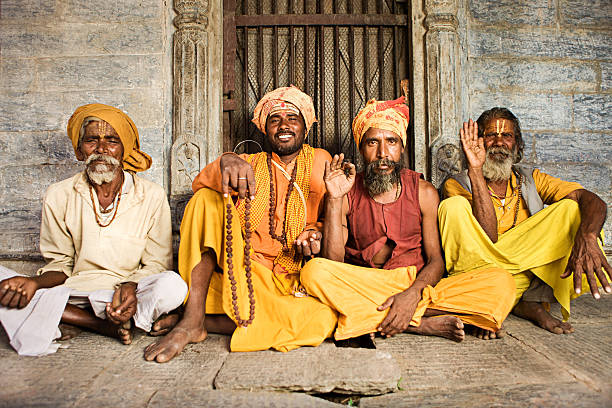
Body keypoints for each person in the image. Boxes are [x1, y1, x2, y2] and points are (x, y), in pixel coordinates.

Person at [299, 97, 516, 344]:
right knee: (313, 272)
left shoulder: (424, 192)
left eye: (391, 142)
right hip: (365, 281)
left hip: (416, 284)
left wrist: (411, 295)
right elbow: (333, 262)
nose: (383, 153)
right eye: (373, 142)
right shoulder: (346, 190)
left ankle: (381, 315)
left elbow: (436, 260)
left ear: (401, 148)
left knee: (502, 283)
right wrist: (335, 199)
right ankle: (419, 324)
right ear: (361, 149)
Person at [144, 86, 337, 363]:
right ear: (264, 130)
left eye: (292, 118)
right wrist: (226, 160)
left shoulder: (321, 161)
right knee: (205, 200)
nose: (283, 125)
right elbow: (201, 183)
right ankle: (194, 316)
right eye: (274, 119)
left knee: (320, 319)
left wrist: (315, 230)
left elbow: (332, 217)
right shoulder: (247, 163)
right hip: (243, 271)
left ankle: (200, 321)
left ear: (305, 128)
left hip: (290, 277)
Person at [0, 103, 187, 356]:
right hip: (76, 291)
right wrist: (32, 282)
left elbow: (157, 264)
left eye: (111, 140)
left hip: (128, 293)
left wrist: (131, 285)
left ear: (125, 149)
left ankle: (69, 318)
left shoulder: (151, 195)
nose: (101, 149)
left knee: (173, 286)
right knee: (6, 284)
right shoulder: (59, 194)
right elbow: (61, 264)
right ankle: (100, 325)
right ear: (79, 150)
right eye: (91, 141)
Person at [440, 107, 611, 335]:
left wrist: (587, 237)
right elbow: (488, 236)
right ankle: (514, 302)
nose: (498, 142)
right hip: (481, 274)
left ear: (517, 145)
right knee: (453, 207)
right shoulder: (458, 184)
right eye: (490, 135)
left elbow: (590, 199)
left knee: (572, 209)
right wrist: (476, 170)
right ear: (478, 142)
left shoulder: (530, 179)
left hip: (506, 279)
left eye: (507, 136)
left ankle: (492, 301)